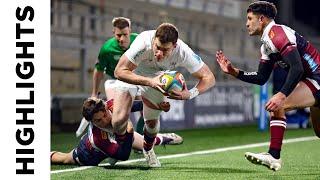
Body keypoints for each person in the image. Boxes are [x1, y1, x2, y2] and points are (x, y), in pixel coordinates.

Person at [216, 1, 320, 171]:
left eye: (250, 18)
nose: (247, 23)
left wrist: (282, 94)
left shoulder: (277, 34)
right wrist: (235, 72)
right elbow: (261, 77)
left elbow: (297, 68)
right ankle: (274, 156)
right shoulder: (266, 45)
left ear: (262, 19)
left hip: (316, 78)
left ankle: (273, 156)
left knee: (278, 104)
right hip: (311, 81)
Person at [112, 23, 215, 167]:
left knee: (152, 123)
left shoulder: (183, 52)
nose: (159, 53)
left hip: (158, 79)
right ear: (154, 40)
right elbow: (119, 71)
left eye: (165, 50)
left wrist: (190, 94)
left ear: (174, 46)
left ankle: (148, 149)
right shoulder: (143, 43)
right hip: (131, 74)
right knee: (118, 121)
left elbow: (209, 77)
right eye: (157, 47)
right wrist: (149, 82)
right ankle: (118, 148)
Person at [51, 98, 183, 166]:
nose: (105, 120)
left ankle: (164, 139)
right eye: (98, 120)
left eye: (105, 115)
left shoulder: (111, 105)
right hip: (88, 154)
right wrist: (129, 131)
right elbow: (123, 155)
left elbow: (138, 105)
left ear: (106, 108)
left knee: (144, 143)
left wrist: (159, 105)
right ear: (92, 122)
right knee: (65, 159)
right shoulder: (98, 138)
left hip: (117, 136)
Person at [76, 17, 145, 137]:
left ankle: (140, 137)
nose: (122, 39)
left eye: (125, 34)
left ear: (130, 31)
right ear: (114, 32)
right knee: (116, 110)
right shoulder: (107, 49)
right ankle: (114, 138)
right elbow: (98, 70)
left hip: (135, 78)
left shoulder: (139, 41)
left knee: (146, 107)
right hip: (115, 80)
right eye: (118, 35)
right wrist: (94, 93)